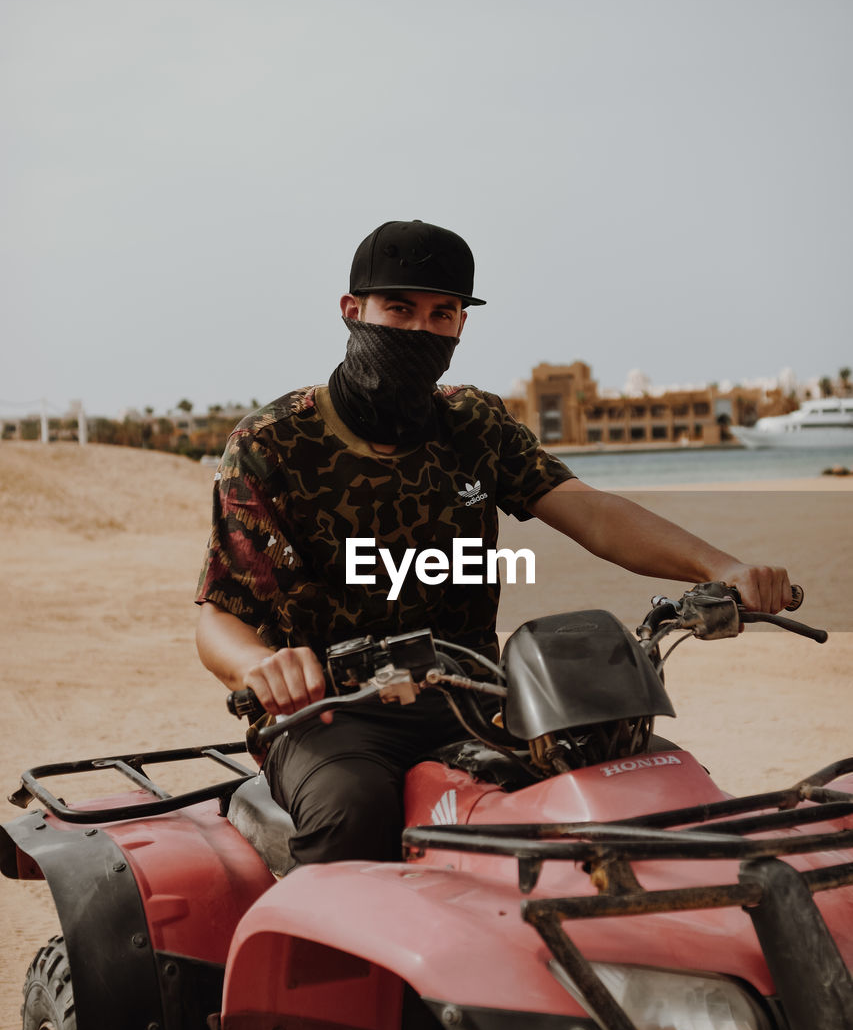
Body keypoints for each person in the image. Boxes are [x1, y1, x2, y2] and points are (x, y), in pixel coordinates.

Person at [195, 218, 792, 866]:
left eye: (441, 313)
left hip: (475, 694)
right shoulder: (273, 443)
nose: (420, 329)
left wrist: (721, 567)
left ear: (460, 324)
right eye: (399, 309)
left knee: (628, 782)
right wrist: (260, 666)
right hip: (331, 714)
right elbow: (220, 616)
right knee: (351, 814)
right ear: (352, 311)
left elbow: (591, 514)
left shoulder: (473, 424)